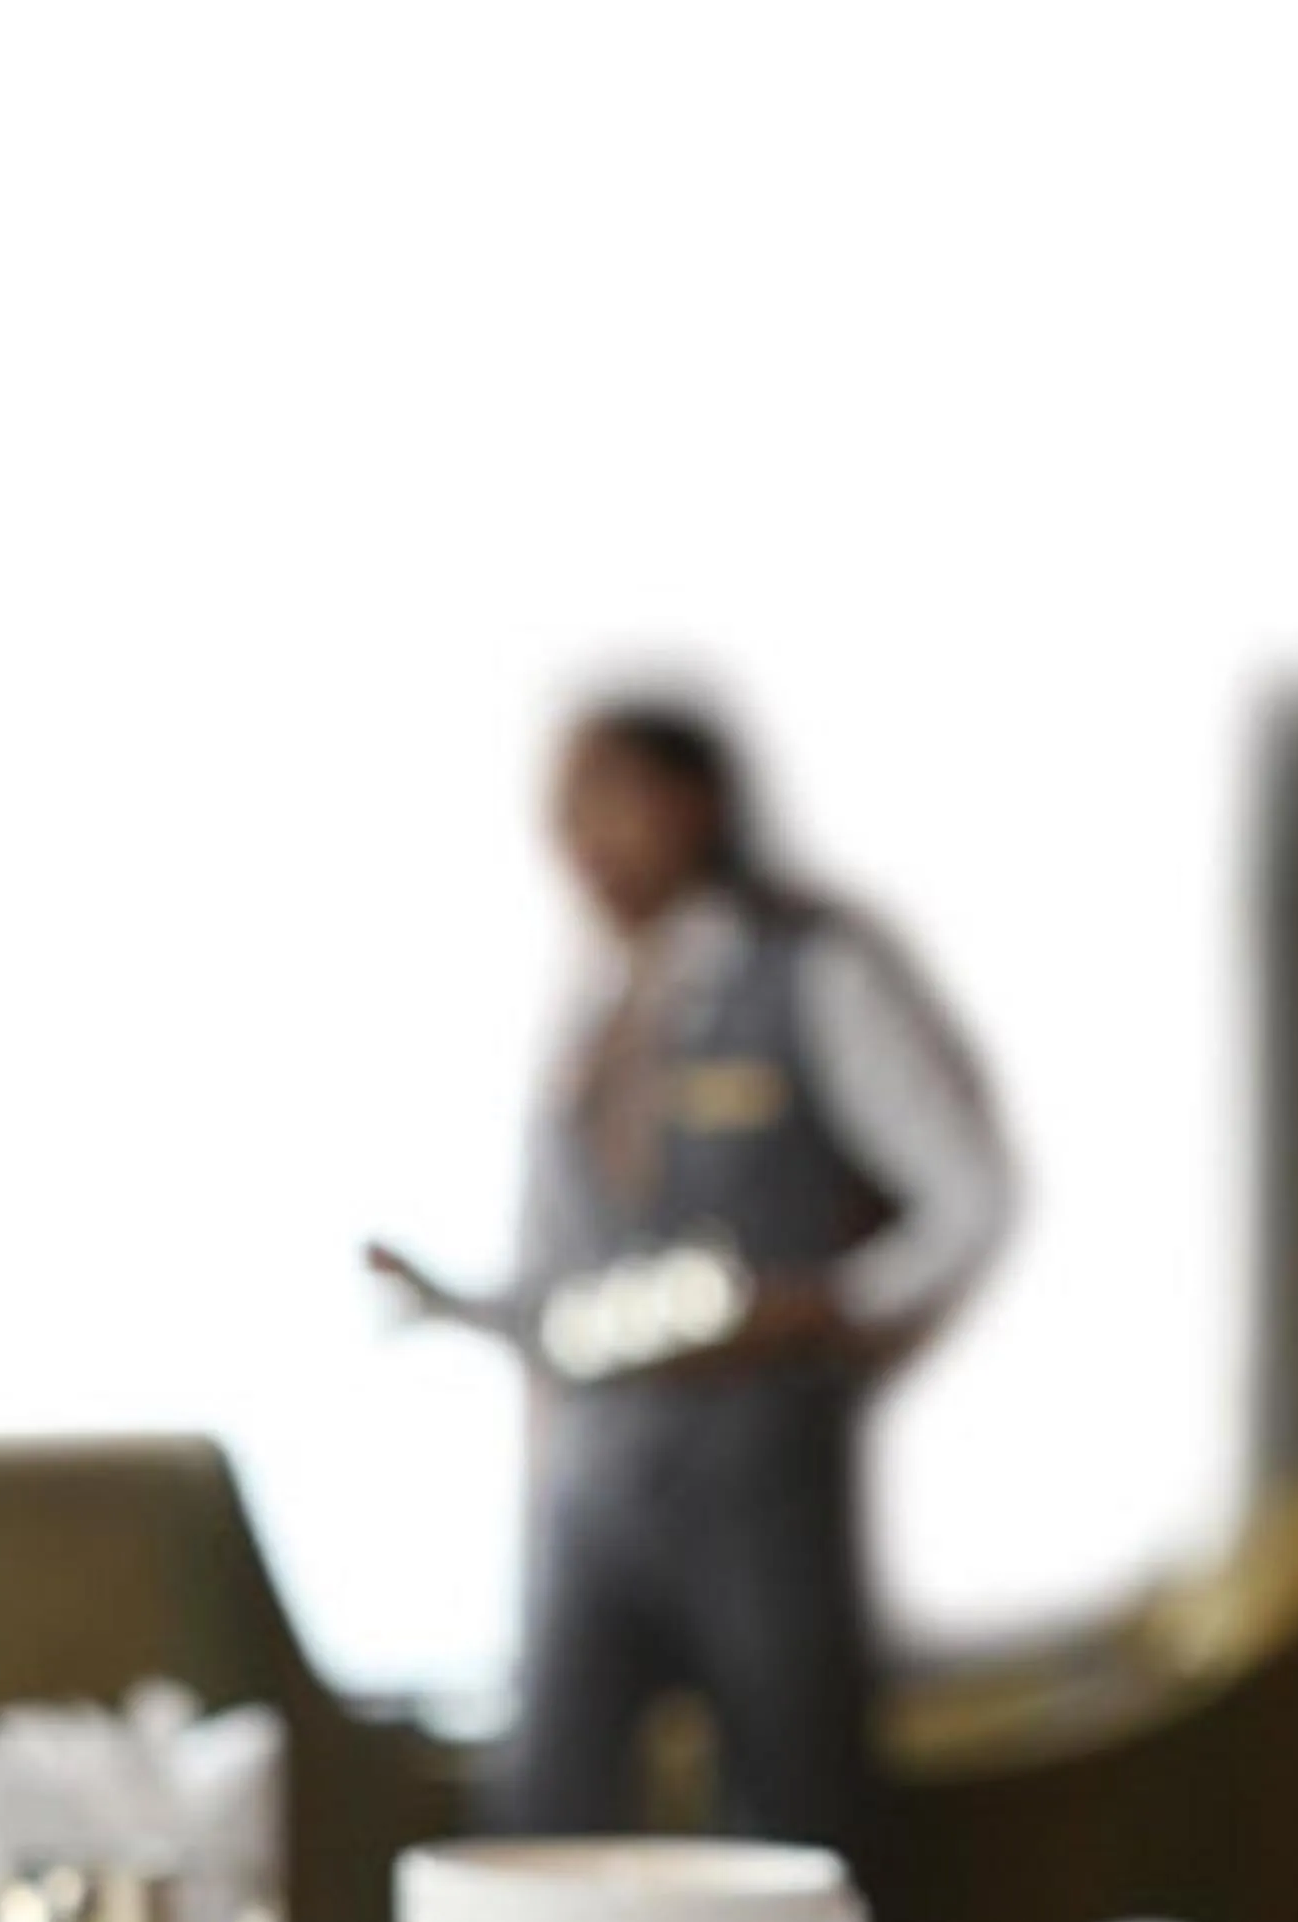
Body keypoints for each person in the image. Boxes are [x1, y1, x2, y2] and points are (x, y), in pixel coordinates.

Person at [366, 697, 1011, 1857]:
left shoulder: (810, 971)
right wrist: (449, 1304)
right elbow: (561, 1282)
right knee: (539, 1820)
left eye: (609, 797)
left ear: (697, 800)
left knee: (797, 1823)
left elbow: (967, 1199)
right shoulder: (590, 1010)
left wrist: (825, 1306)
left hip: (757, 1473)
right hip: (595, 1480)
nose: (581, 838)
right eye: (564, 809)